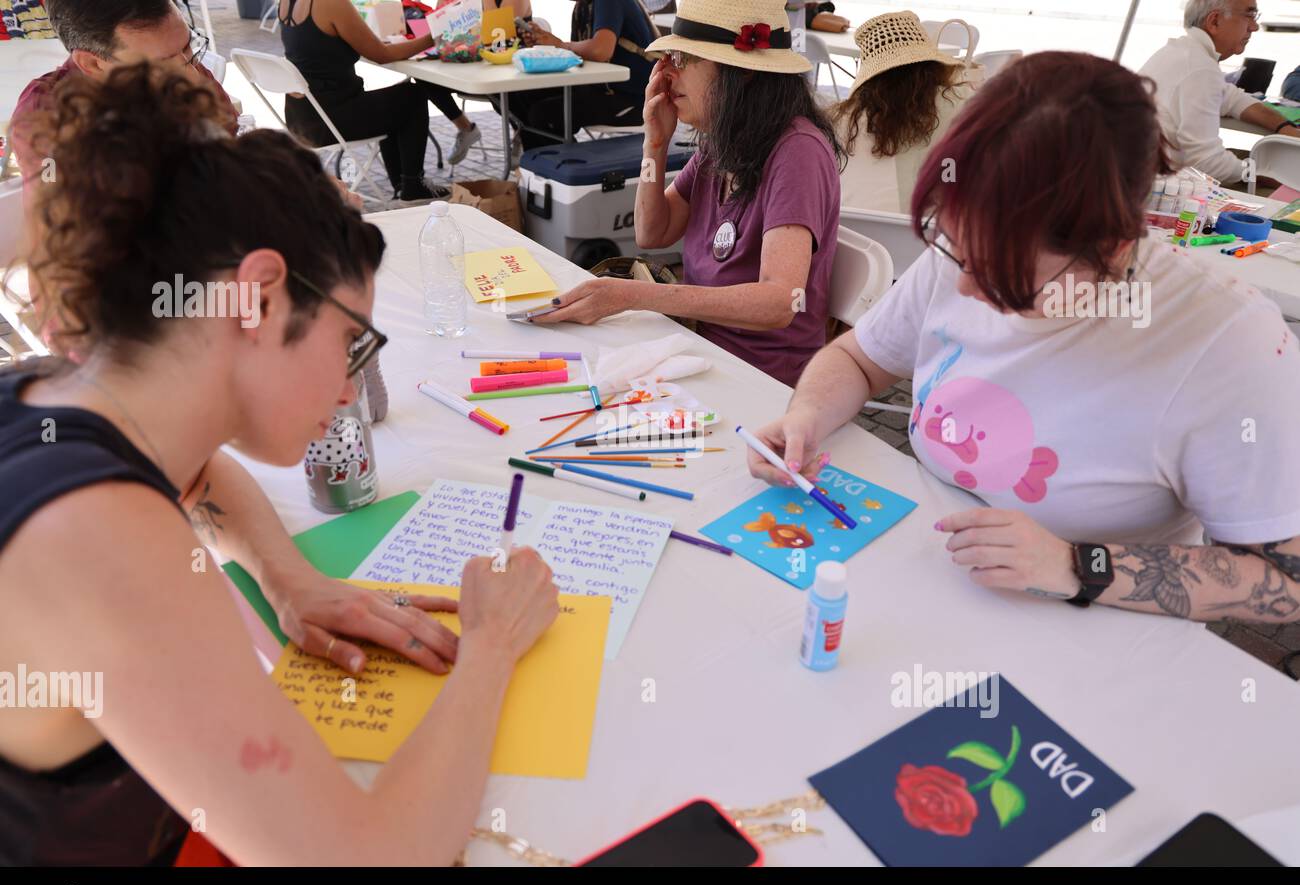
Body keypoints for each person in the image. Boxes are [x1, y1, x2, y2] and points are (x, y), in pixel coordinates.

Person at [0, 61, 560, 865]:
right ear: (258, 297)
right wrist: (492, 646)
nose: (348, 385)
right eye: (349, 341)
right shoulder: (103, 540)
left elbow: (199, 476)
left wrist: (289, 579)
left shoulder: (48, 394)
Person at [748, 51, 1300, 624]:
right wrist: (807, 416)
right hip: (928, 583)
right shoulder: (974, 242)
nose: (962, 286)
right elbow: (862, 360)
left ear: (1111, 250)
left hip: (1089, 627)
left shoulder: (1230, 344)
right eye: (953, 246)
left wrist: (1073, 565)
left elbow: (1285, 582)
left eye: (1001, 273)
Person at [534, 0, 843, 388]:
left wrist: (635, 296)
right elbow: (652, 233)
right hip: (700, 350)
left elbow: (780, 302)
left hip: (759, 378)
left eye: (682, 58)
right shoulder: (723, 142)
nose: (665, 73)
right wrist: (655, 145)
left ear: (741, 71)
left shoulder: (797, 151)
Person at [10, 0, 238, 197]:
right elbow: (57, 222)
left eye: (188, 48)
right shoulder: (45, 115)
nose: (193, 78)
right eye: (161, 65)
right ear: (93, 64)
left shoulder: (186, 68)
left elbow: (228, 143)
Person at [278, 0, 483, 203]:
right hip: (331, 119)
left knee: (393, 101)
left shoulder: (287, 3)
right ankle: (412, 186)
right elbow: (381, 55)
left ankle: (402, 186)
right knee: (413, 96)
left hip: (302, 119)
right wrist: (433, 38)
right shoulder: (332, 4)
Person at [1138, 0, 1299, 185]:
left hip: (1142, 172)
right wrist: (1272, 177)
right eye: (1249, 15)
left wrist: (1284, 127)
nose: (1254, 27)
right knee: (1289, 189)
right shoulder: (1200, 69)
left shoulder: (1181, 52)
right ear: (1214, 21)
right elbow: (1205, 162)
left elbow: (1232, 98)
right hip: (1157, 185)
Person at [833, 12, 981, 213]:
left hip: (858, 236)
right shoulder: (960, 103)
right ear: (931, 67)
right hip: (931, 234)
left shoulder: (841, 119)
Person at [508, 0, 657, 149]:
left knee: (543, 114)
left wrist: (560, 45)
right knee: (518, 96)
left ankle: (564, 164)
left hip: (633, 100)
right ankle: (544, 162)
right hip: (602, 89)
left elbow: (600, 51)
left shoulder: (609, 3)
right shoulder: (583, 7)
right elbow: (580, 59)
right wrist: (547, 44)